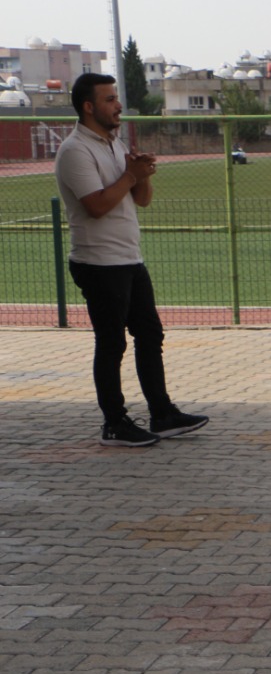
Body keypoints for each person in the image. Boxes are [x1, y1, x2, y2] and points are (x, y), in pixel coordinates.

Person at [54, 73, 208, 447]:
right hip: (98, 263)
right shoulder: (76, 150)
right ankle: (114, 423)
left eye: (116, 98)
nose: (118, 105)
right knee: (112, 344)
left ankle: (163, 414)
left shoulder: (113, 142)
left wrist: (143, 176)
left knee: (150, 335)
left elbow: (141, 200)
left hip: (127, 258)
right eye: (109, 99)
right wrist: (129, 174)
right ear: (89, 107)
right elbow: (96, 206)